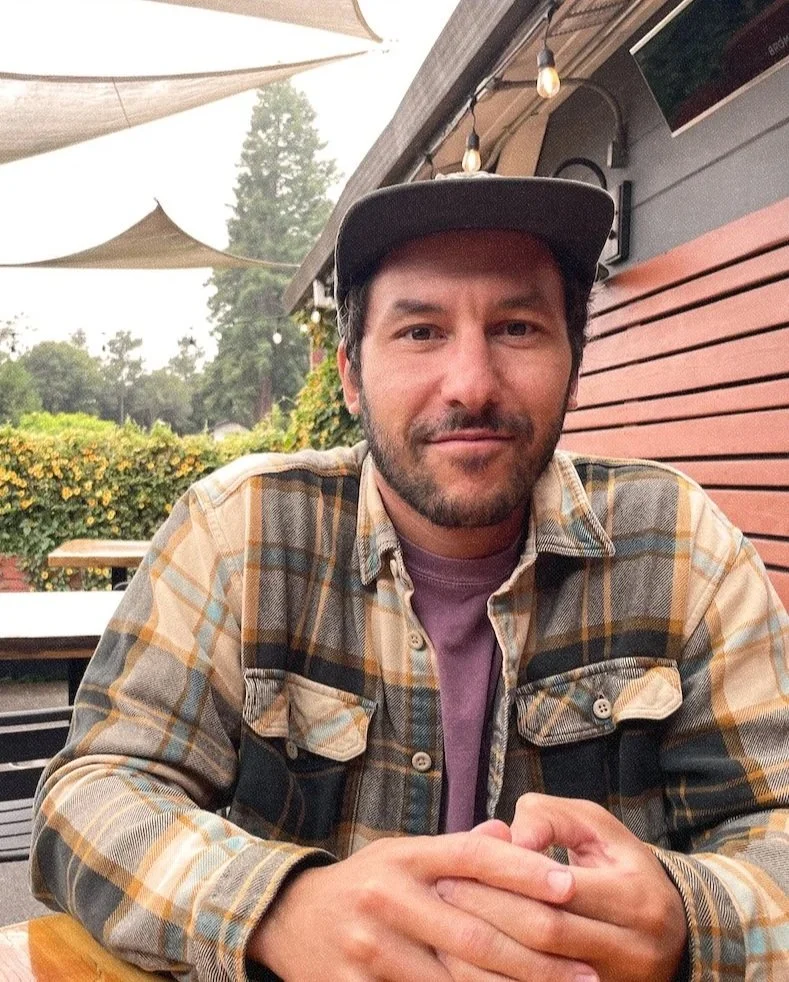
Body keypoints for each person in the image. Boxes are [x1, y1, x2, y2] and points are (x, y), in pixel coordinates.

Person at [31, 176, 788, 982]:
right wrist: (276, 907)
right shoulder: (239, 534)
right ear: (351, 376)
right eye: (420, 331)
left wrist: (687, 917)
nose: (471, 383)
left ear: (573, 369)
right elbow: (92, 793)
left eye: (518, 327)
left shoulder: (677, 544)